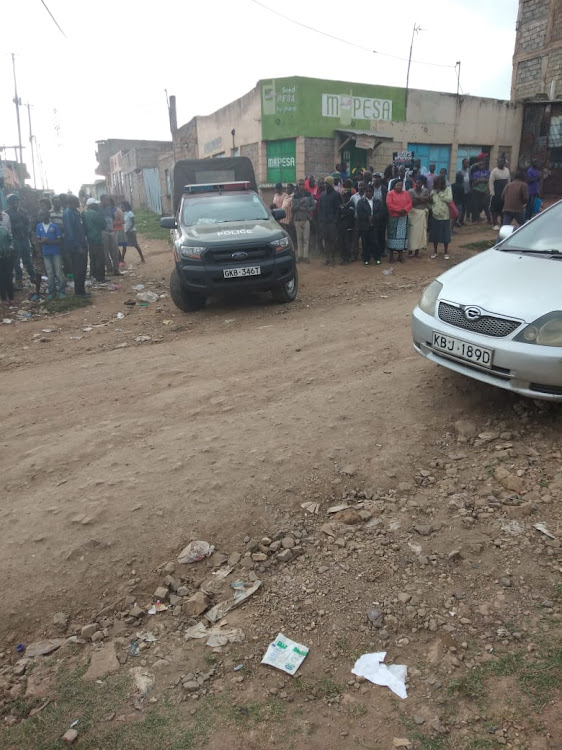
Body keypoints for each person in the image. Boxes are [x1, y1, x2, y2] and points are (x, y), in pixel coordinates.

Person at [6, 194, 35, 290]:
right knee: (16, 262)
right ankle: (19, 281)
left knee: (27, 259)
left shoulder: (23, 212)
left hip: (24, 239)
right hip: (15, 240)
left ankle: (33, 277)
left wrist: (28, 233)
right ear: (10, 203)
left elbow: (28, 224)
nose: (16, 203)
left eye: (17, 201)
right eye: (14, 201)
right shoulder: (7, 214)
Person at [36, 209, 66, 299]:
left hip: (56, 252)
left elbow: (60, 240)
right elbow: (38, 240)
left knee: (58, 272)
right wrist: (41, 243)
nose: (41, 217)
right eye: (40, 215)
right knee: (50, 273)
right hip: (46, 253)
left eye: (43, 215)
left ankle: (62, 291)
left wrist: (49, 241)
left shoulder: (54, 226)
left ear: (47, 215)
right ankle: (51, 292)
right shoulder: (39, 226)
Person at [63, 195, 90, 297]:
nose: (79, 202)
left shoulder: (75, 212)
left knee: (82, 269)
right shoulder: (68, 213)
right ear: (72, 201)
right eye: (77, 201)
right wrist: (77, 247)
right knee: (78, 270)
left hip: (82, 244)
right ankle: (79, 292)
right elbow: (70, 233)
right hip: (77, 247)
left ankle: (81, 291)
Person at [357, 185, 384, 266]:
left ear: (373, 192)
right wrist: (367, 218)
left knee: (375, 242)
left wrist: (374, 218)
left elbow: (381, 212)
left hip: (375, 225)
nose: (368, 193)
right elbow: (359, 213)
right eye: (367, 191)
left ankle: (377, 258)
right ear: (365, 192)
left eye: (370, 191)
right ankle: (366, 259)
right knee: (365, 243)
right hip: (364, 225)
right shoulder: (361, 202)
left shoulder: (377, 201)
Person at [318, 175, 342, 267]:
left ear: (331, 184)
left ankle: (332, 259)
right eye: (324, 183)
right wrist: (320, 219)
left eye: (326, 183)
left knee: (332, 241)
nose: (325, 185)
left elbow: (338, 209)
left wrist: (335, 220)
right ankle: (327, 258)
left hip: (332, 223)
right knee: (326, 240)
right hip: (324, 222)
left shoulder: (336, 195)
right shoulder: (323, 195)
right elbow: (320, 208)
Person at [386, 180, 412, 262]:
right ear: (394, 186)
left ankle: (400, 256)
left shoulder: (406, 193)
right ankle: (391, 256)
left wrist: (405, 209)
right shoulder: (390, 194)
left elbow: (410, 203)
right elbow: (389, 204)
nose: (400, 187)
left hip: (403, 218)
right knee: (392, 236)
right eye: (398, 185)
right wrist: (399, 210)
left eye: (401, 185)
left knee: (402, 236)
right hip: (394, 218)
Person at [83, 198, 107, 282]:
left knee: (92, 258)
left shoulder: (84, 213)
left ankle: (93, 275)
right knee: (100, 258)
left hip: (89, 239)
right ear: (92, 205)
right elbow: (103, 225)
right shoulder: (95, 214)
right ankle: (100, 277)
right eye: (96, 204)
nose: (97, 205)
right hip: (97, 238)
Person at [429, 176, 453, 259]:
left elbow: (449, 199)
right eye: (436, 184)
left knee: (445, 236)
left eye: (439, 183)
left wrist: (440, 193)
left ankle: (446, 252)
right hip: (435, 216)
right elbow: (431, 202)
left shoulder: (448, 190)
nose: (437, 185)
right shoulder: (433, 191)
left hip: (445, 216)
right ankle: (435, 251)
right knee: (435, 235)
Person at [292, 179, 315, 263]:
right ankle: (299, 256)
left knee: (306, 239)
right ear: (298, 186)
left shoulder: (309, 195)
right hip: (297, 219)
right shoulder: (295, 196)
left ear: (304, 185)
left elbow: (313, 206)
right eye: (300, 184)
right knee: (299, 239)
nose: (301, 186)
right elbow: (293, 208)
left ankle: (305, 257)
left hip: (306, 218)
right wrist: (299, 206)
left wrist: (307, 209)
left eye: (302, 184)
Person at [50, 195, 71, 278]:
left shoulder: (64, 212)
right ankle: (58, 275)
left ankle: (68, 275)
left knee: (67, 257)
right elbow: (51, 227)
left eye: (59, 202)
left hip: (64, 238)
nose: (58, 204)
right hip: (54, 240)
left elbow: (66, 225)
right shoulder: (50, 213)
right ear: (53, 203)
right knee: (57, 258)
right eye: (56, 202)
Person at [99, 194, 121, 275]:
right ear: (102, 200)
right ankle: (109, 269)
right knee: (105, 252)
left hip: (112, 231)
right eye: (106, 200)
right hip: (103, 231)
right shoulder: (98, 209)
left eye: (108, 200)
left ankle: (116, 269)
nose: (108, 201)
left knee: (114, 251)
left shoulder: (110, 208)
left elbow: (114, 217)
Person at [407, 179, 429, 257]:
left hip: (421, 214)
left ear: (422, 184)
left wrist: (417, 199)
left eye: (419, 183)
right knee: (412, 233)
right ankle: (410, 251)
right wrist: (422, 200)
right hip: (413, 214)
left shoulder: (425, 190)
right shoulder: (410, 191)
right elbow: (412, 202)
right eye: (416, 183)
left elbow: (427, 199)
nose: (417, 184)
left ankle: (417, 251)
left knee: (420, 233)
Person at [489, 156, 511, 230]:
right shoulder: (494, 171)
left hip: (504, 194)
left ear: (504, 163)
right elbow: (491, 182)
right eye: (498, 162)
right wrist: (492, 192)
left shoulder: (507, 170)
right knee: (494, 210)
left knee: (503, 209)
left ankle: (502, 224)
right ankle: (495, 224)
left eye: (501, 162)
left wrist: (509, 192)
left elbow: (509, 182)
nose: (500, 163)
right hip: (496, 193)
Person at [470, 158, 491, 224]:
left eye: (482, 165)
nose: (481, 166)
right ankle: (475, 219)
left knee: (486, 205)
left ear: (485, 165)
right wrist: (482, 180)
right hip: (476, 191)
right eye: (480, 165)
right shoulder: (476, 173)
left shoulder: (488, 172)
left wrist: (479, 180)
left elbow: (487, 180)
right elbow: (474, 182)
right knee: (475, 205)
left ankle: (489, 219)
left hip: (484, 191)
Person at [338, 188, 356, 264]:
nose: (344, 197)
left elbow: (350, 213)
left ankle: (347, 258)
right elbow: (339, 214)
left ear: (349, 197)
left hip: (349, 226)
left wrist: (343, 213)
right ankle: (343, 258)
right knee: (342, 243)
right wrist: (344, 213)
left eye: (345, 196)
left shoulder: (351, 203)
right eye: (343, 196)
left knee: (348, 243)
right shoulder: (342, 204)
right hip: (342, 227)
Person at [372, 173, 388, 255]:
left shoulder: (384, 189)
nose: (376, 180)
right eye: (375, 178)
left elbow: (386, 202)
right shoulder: (370, 188)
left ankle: (382, 250)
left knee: (382, 233)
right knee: (373, 233)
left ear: (380, 179)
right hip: (372, 213)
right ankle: (374, 250)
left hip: (382, 214)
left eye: (378, 178)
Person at [0, 221, 14, 306]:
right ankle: (4, 298)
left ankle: (11, 298)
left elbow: (11, 240)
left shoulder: (4, 229)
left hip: (7, 257)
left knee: (9, 277)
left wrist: (11, 248)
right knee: (1, 279)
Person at [280, 183, 297, 249]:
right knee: (285, 235)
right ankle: (288, 247)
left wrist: (291, 219)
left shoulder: (293, 197)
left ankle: (293, 247)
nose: (286, 189)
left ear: (292, 189)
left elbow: (293, 209)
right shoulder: (286, 196)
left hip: (289, 220)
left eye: (288, 188)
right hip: (284, 220)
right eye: (286, 188)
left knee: (291, 235)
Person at [456, 159, 472, 225]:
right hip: (461, 192)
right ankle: (457, 221)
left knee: (465, 207)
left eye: (468, 163)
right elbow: (457, 181)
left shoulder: (468, 170)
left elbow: (470, 180)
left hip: (467, 191)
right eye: (466, 163)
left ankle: (461, 220)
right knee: (460, 207)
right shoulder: (459, 171)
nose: (467, 164)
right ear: (463, 163)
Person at [111, 199, 126, 266]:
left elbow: (123, 221)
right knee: (115, 246)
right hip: (112, 231)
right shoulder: (107, 211)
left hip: (119, 230)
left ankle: (122, 259)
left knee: (123, 244)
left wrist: (114, 223)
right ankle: (120, 259)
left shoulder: (118, 211)